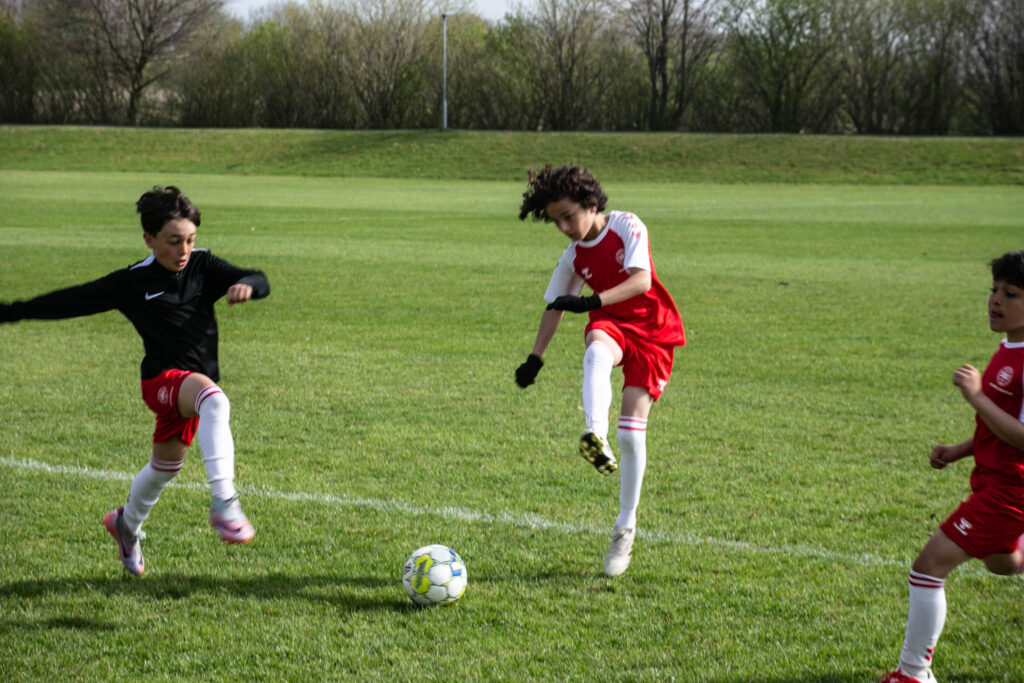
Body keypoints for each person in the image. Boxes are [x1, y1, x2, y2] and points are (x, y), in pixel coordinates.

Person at [0, 186, 270, 576]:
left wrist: (249, 286)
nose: (184, 250)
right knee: (216, 400)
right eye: (173, 241)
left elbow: (258, 277)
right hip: (162, 381)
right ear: (149, 239)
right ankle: (225, 503)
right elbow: (72, 300)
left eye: (190, 239)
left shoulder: (203, 265)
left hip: (190, 389)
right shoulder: (133, 282)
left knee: (165, 467)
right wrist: (12, 312)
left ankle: (126, 526)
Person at [514, 164, 686, 577]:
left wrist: (591, 302)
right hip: (612, 324)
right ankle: (595, 434)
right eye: (556, 221)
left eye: (568, 216)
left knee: (632, 434)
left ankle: (625, 526)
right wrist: (535, 358)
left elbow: (642, 281)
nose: (563, 228)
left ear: (591, 204)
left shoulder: (627, 225)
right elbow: (555, 306)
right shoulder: (573, 256)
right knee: (595, 352)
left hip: (654, 331)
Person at [882, 250, 1024, 683]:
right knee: (1003, 563)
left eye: (1011, 294)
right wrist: (961, 450)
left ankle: (913, 673)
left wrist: (975, 396)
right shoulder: (1009, 347)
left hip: (1009, 493)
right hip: (993, 484)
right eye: (994, 290)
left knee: (928, 567)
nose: (995, 300)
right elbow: (999, 426)